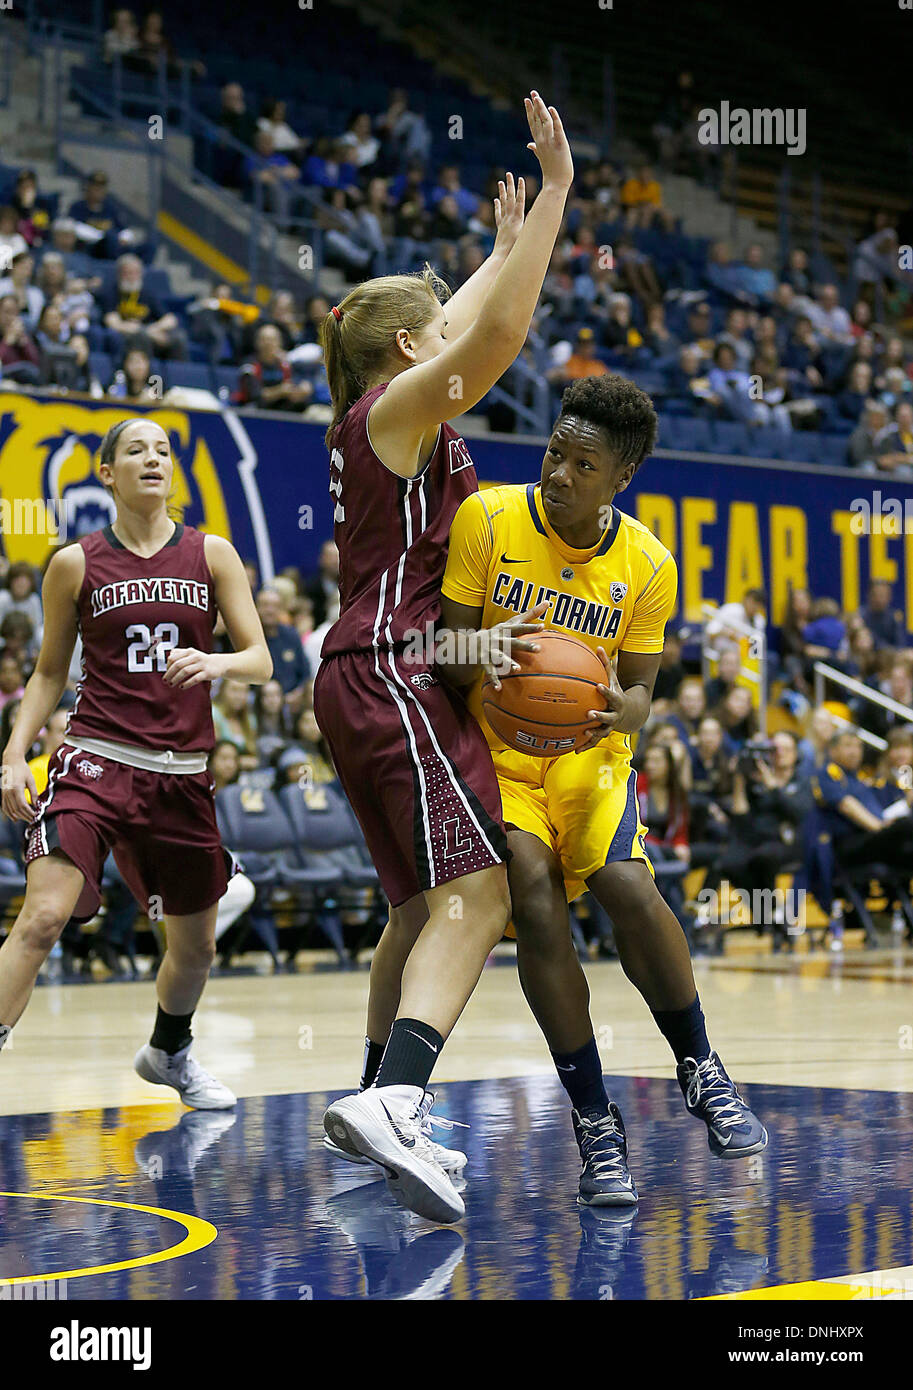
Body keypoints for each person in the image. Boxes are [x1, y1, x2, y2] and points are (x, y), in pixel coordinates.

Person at [316, 93, 574, 1225]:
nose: (451, 320)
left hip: (374, 667)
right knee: (479, 895)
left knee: (422, 910)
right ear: (409, 349)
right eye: (433, 321)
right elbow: (494, 342)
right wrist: (558, 200)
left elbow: (458, 319)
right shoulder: (400, 407)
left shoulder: (381, 408)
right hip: (393, 673)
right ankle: (400, 1101)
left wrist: (501, 249)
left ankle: (380, 1094)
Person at [430, 375, 767, 1206]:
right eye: (555, 450)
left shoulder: (646, 562)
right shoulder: (489, 517)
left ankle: (700, 1065)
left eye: (584, 464)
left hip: (587, 751)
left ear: (620, 477)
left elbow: (643, 691)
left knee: (624, 880)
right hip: (498, 755)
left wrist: (625, 708)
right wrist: (483, 651)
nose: (560, 472)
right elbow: (442, 650)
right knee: (537, 904)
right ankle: (594, 1124)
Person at [0, 418, 272, 1106]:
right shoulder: (76, 563)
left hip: (181, 776)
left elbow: (260, 659)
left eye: (164, 450)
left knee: (196, 950)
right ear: (107, 473)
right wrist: (12, 752)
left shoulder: (212, 554)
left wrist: (215, 660)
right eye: (136, 450)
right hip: (94, 760)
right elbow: (48, 673)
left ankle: (169, 1052)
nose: (153, 458)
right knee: (42, 916)